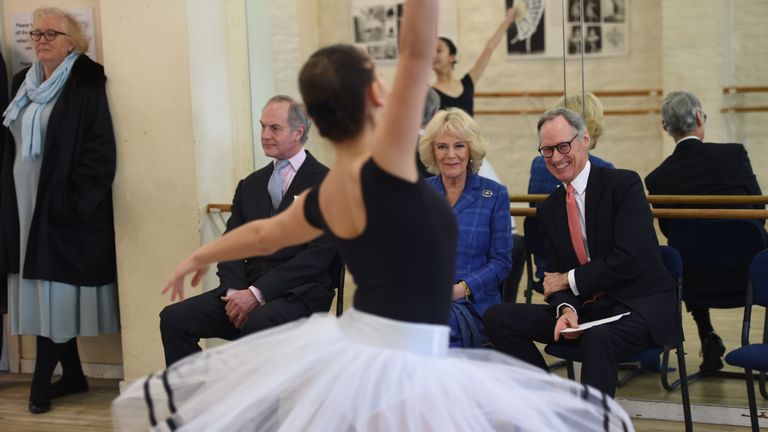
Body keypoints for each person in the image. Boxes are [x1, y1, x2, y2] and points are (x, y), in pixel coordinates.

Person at [113, 2, 633, 430]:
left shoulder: (335, 189)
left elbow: (265, 233)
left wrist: (200, 254)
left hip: (365, 346)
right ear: (376, 95)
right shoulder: (385, 161)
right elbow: (416, 47)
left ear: (312, 121)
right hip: (406, 354)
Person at [484, 108, 677, 397]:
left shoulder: (623, 185)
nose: (556, 157)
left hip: (638, 307)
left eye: (563, 146)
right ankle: (551, 405)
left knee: (599, 338)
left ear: (584, 139)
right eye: (547, 150)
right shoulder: (549, 209)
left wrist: (568, 280)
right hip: (588, 310)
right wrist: (566, 309)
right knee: (498, 317)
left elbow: (630, 259)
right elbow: (555, 276)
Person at [0, 7, 119, 414]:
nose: (42, 40)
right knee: (37, 289)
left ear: (74, 41)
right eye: (36, 34)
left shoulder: (85, 81)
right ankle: (71, 375)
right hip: (23, 200)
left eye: (52, 33)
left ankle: (41, 382)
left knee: (57, 289)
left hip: (60, 206)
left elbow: (100, 152)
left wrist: (74, 202)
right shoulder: (22, 83)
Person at [158, 95, 336, 366]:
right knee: (174, 318)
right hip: (243, 292)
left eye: (274, 128)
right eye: (262, 126)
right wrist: (234, 293)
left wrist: (256, 294)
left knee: (259, 322)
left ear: (299, 132)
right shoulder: (250, 184)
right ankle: (193, 405)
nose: (265, 135)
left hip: (298, 295)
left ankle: (261, 408)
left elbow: (317, 258)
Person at [645, 90, 767, 373]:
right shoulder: (732, 155)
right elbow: (759, 208)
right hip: (748, 273)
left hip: (695, 281)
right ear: (699, 117)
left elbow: (669, 231)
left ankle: (706, 336)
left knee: (688, 248)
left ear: (666, 128)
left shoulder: (658, 177)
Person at [419, 108, 512, 347]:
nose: (451, 155)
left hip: (474, 304)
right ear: (432, 151)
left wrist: (462, 289)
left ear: (471, 150)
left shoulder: (494, 195)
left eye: (459, 146)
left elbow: (501, 262)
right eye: (442, 147)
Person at [431, 6, 517, 116]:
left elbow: (489, 49)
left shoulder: (467, 83)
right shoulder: (431, 94)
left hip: (471, 133)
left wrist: (508, 20)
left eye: (438, 50)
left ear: (451, 57)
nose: (433, 55)